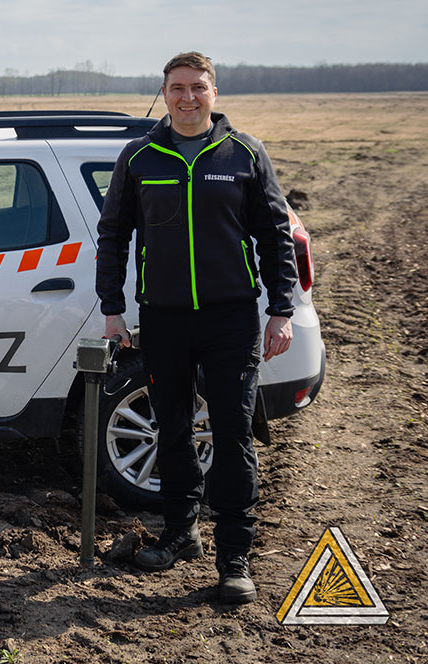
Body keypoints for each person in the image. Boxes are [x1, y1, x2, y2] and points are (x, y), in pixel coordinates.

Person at [95, 52, 296, 604]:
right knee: (173, 429)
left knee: (232, 435)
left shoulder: (244, 153)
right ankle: (181, 534)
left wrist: (281, 310)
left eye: (198, 87)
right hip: (164, 317)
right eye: (177, 88)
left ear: (214, 92)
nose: (187, 97)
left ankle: (234, 558)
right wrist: (112, 308)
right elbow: (113, 234)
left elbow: (275, 235)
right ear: (164, 93)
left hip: (231, 318)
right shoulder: (140, 156)